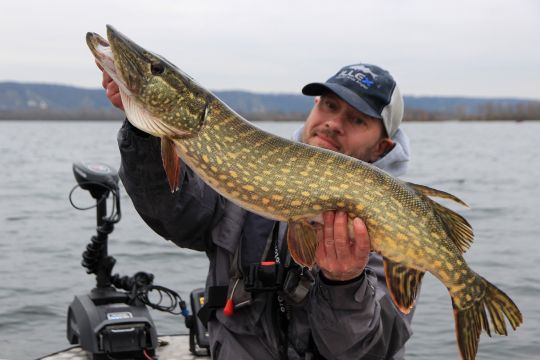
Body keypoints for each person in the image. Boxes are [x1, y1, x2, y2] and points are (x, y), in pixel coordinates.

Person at [100, 63, 414, 359]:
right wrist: (145, 132)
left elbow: (368, 351)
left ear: (381, 148)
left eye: (357, 119)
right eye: (329, 106)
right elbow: (173, 213)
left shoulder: (397, 224)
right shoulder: (249, 173)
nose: (333, 123)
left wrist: (345, 285)